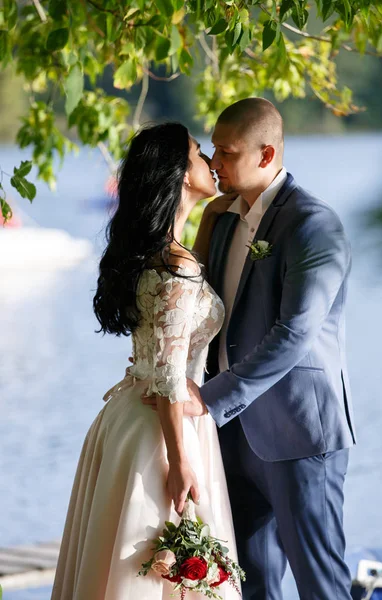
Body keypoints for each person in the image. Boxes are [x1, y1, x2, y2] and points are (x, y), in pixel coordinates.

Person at [146, 98, 357, 600]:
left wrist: (211, 398)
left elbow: (295, 333)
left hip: (298, 435)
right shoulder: (220, 216)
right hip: (231, 438)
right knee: (251, 585)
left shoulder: (313, 225)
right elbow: (197, 305)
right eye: (212, 149)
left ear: (266, 155)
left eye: (225, 151)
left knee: (319, 584)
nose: (214, 162)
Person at [51, 123, 238, 600]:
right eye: (200, 153)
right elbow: (172, 373)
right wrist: (179, 460)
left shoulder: (158, 256)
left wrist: (214, 217)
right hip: (164, 429)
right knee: (155, 566)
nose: (212, 163)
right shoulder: (177, 266)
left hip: (132, 417)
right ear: (178, 173)